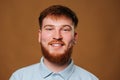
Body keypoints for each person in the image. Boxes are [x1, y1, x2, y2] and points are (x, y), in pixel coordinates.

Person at [9, 5, 99, 80]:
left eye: (65, 29)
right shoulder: (19, 77)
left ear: (75, 37)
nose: (57, 36)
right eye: (49, 29)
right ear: (39, 36)